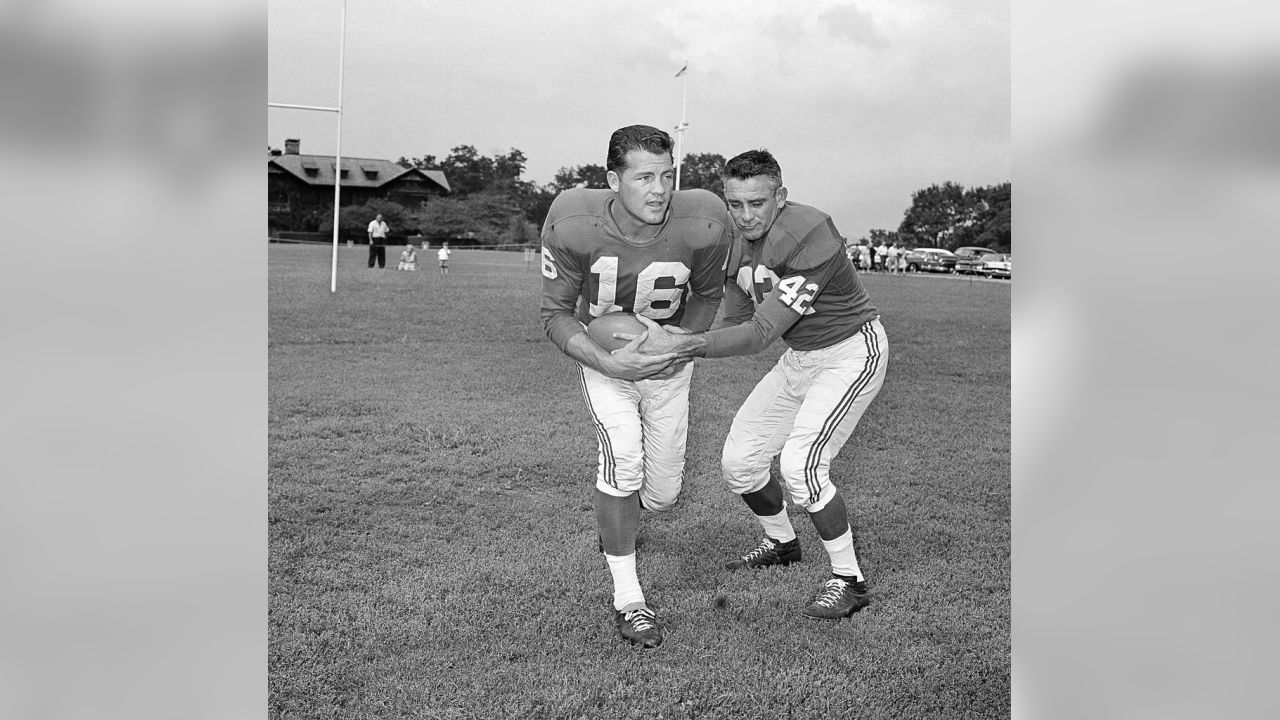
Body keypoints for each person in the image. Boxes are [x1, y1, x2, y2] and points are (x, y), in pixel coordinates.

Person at [630, 149, 888, 621]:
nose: (746, 216)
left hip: (851, 351)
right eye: (735, 204)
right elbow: (739, 315)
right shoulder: (731, 241)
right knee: (740, 463)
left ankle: (850, 580)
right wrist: (680, 332)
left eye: (758, 203)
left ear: (780, 197)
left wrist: (681, 346)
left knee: (802, 467)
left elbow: (760, 333)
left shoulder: (809, 231)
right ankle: (782, 543)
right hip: (801, 357)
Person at [539, 124, 733, 648]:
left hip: (672, 365)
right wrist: (607, 360)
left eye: (667, 175)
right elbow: (555, 315)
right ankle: (630, 599)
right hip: (606, 361)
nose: (659, 189)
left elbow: (708, 295)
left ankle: (619, 512)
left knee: (664, 495)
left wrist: (677, 343)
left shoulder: (705, 220)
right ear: (612, 179)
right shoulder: (575, 220)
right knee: (622, 456)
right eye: (644, 176)